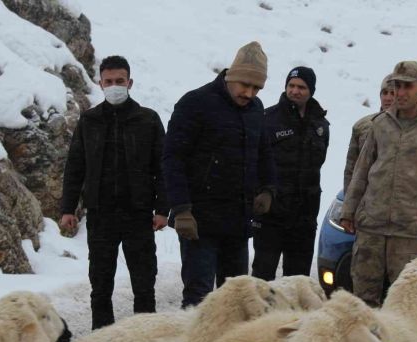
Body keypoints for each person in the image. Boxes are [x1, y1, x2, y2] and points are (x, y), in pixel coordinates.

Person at [339, 61, 417, 307]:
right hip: (371, 228)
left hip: (409, 231)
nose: (400, 92)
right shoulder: (380, 124)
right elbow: (362, 170)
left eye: (408, 86)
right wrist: (349, 211)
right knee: (363, 301)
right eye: (397, 86)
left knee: (407, 302)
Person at [163, 41, 276, 307]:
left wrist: (268, 189)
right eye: (245, 85)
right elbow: (172, 158)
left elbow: (264, 153)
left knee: (237, 300)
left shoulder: (256, 110)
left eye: (256, 88)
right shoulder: (195, 103)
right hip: (199, 222)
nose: (249, 93)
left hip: (237, 222)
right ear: (231, 77)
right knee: (198, 299)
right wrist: (181, 210)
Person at [59, 55, 169, 329]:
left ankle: (145, 339)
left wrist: (162, 210)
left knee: (144, 283)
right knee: (100, 284)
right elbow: (75, 166)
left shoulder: (148, 120)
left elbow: (163, 167)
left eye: (120, 81)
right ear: (100, 84)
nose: (114, 86)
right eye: (109, 81)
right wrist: (67, 209)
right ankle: (102, 341)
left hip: (139, 214)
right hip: (101, 215)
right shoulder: (89, 121)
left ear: (130, 82)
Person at [252, 66, 329, 280]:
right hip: (271, 214)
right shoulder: (268, 119)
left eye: (301, 87)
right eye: (291, 86)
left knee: (298, 281)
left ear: (311, 90)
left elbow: (319, 164)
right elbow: (256, 163)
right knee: (262, 278)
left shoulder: (321, 124)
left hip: (304, 216)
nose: (295, 91)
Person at [343, 73, 395, 193]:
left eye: (393, 93)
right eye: (384, 93)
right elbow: (350, 169)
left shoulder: (414, 128)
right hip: (366, 200)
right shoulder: (362, 126)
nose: (388, 98)